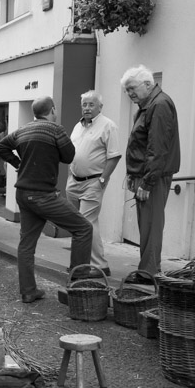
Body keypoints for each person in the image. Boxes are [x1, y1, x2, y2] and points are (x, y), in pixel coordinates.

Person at [0, 96, 93, 303]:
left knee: (26, 243)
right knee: (84, 228)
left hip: (23, 194)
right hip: (43, 196)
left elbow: (1, 146)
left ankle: (28, 291)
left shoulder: (22, 130)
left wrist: (18, 163)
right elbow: (69, 156)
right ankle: (77, 285)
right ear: (52, 110)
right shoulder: (56, 130)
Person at [121, 65, 180, 275]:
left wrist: (146, 181)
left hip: (152, 177)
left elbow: (158, 148)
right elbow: (143, 144)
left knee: (151, 226)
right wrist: (132, 174)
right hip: (145, 174)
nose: (129, 94)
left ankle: (149, 274)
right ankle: (147, 271)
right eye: (127, 90)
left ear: (148, 84)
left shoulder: (159, 104)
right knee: (146, 226)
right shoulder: (149, 104)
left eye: (132, 88)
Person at [65, 91, 121, 277]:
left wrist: (103, 180)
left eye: (91, 104)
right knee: (79, 223)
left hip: (93, 181)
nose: (87, 108)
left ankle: (97, 265)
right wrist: (70, 176)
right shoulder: (77, 126)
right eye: (84, 104)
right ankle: (82, 263)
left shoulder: (108, 126)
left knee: (85, 222)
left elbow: (114, 156)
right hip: (74, 181)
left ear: (100, 107)